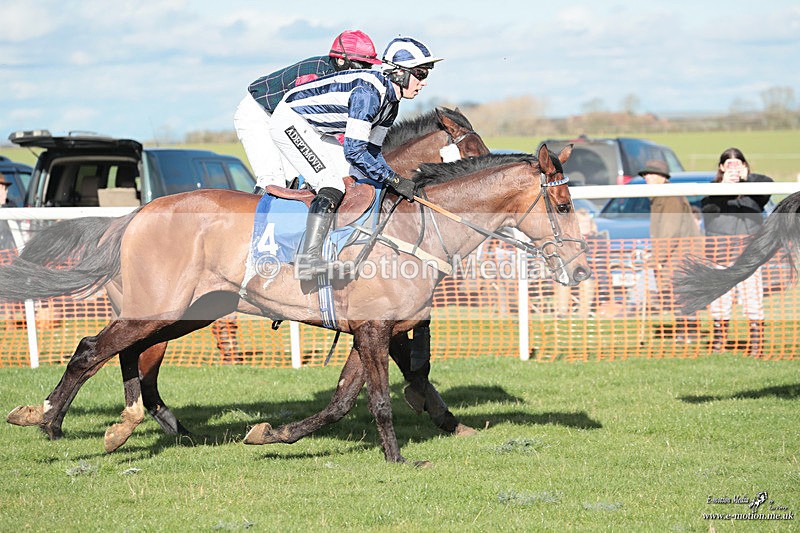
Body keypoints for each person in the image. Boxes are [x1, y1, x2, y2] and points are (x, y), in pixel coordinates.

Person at [270, 36, 441, 279]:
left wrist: (394, 181)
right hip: (291, 122)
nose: (424, 82)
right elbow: (354, 151)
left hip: (317, 129)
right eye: (421, 73)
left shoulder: (392, 104)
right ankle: (308, 259)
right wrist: (394, 180)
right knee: (331, 182)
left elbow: (372, 152)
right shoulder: (369, 94)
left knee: (352, 178)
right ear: (399, 73)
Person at [234, 30, 382, 194]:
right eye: (361, 66)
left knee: (345, 168)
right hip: (259, 114)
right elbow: (301, 118)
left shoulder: (345, 79)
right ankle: (257, 218)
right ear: (341, 61)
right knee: (274, 180)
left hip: (293, 121)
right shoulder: (314, 76)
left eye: (369, 66)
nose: (365, 72)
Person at [701, 148, 772, 357]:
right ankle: (719, 342)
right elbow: (708, 210)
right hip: (720, 255)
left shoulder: (754, 190)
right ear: (721, 168)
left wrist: (747, 178)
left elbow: (769, 185)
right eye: (729, 164)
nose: (733, 168)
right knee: (720, 301)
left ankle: (756, 345)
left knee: (752, 299)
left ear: (745, 166)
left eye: (738, 164)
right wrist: (724, 188)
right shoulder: (712, 190)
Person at [639, 160, 702, 342]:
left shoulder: (669, 198)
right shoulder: (661, 197)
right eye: (645, 175)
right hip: (674, 255)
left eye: (651, 174)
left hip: (680, 255)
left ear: (663, 177)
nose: (647, 178)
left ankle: (689, 333)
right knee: (676, 296)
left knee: (683, 295)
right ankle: (684, 332)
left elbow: (670, 232)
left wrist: (656, 258)